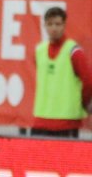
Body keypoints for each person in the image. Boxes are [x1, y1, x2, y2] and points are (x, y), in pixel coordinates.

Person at [29, 7, 92, 138]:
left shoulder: (74, 52)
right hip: (41, 120)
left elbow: (88, 81)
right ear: (44, 26)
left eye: (58, 24)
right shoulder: (39, 51)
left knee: (63, 159)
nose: (54, 28)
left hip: (66, 123)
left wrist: (85, 104)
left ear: (64, 25)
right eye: (50, 24)